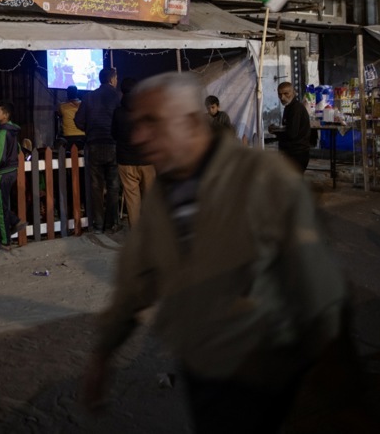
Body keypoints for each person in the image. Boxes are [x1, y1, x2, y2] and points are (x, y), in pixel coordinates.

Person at [82, 73, 346, 432]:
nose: (139, 135)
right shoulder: (163, 195)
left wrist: (344, 395)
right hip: (201, 365)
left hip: (263, 370)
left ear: (192, 123)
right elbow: (137, 279)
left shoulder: (263, 177)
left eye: (152, 123)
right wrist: (103, 353)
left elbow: (320, 290)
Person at [74, 68, 121, 232]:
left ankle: (98, 223)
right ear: (112, 79)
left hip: (94, 144)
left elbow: (78, 120)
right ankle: (112, 223)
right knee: (113, 186)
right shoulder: (118, 96)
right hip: (113, 144)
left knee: (96, 186)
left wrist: (90, 129)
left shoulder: (89, 97)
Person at [112, 77, 155, 229]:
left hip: (125, 160)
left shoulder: (117, 112)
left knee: (132, 200)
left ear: (122, 92)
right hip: (147, 160)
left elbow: (114, 135)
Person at [0, 100, 24, 249]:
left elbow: (0, 157)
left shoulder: (2, 131)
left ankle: (5, 241)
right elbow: (18, 150)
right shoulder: (13, 131)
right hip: (11, 172)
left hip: (2, 173)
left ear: (5, 115)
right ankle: (14, 221)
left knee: (1, 207)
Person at [270, 81, 312, 173]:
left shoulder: (295, 109)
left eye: (286, 94)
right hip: (293, 152)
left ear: (293, 92)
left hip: (297, 153)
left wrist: (276, 132)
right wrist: (277, 129)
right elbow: (289, 128)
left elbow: (292, 133)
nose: (282, 97)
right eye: (280, 94)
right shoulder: (289, 107)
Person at [58, 85, 85, 150]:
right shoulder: (83, 104)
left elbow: (60, 115)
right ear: (77, 93)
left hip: (68, 136)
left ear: (67, 94)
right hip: (82, 135)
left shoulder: (62, 106)